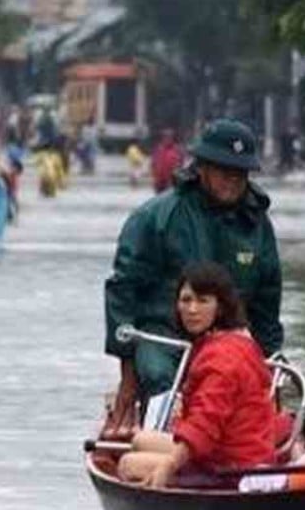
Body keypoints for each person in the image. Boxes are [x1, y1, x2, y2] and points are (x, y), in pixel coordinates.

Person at [102, 118, 283, 440]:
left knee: (260, 390)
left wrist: (268, 367)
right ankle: (162, 441)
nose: (232, 179)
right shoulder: (156, 217)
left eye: (240, 172)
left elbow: (267, 303)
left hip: (231, 340)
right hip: (165, 336)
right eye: (224, 170)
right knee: (158, 374)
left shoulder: (257, 224)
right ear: (202, 168)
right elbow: (122, 291)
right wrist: (128, 377)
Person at [117, 262, 276, 488]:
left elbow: (205, 423)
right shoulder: (236, 341)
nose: (192, 309)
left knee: (128, 465)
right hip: (229, 450)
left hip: (231, 467)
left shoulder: (222, 358)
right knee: (140, 440)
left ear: (220, 307)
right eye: (186, 300)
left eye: (203, 301)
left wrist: (170, 464)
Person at [149, 128, 184, 193]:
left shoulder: (177, 150)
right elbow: (153, 164)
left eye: (169, 137)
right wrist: (155, 179)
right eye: (165, 137)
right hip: (159, 182)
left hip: (172, 182)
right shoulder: (158, 149)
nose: (167, 139)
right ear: (162, 138)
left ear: (173, 138)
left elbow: (182, 165)